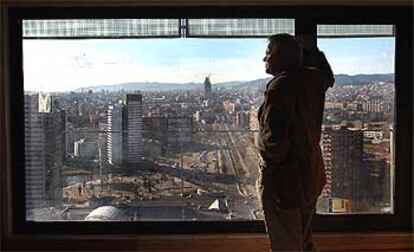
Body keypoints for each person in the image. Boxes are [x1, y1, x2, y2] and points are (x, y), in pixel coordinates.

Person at [256, 33, 332, 251]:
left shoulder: (279, 87)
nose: (265, 59)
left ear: (281, 57)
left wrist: (265, 163)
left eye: (268, 53)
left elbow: (275, 144)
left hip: (286, 182)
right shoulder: (313, 79)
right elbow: (328, 76)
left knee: (287, 244)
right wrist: (313, 52)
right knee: (304, 238)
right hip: (311, 174)